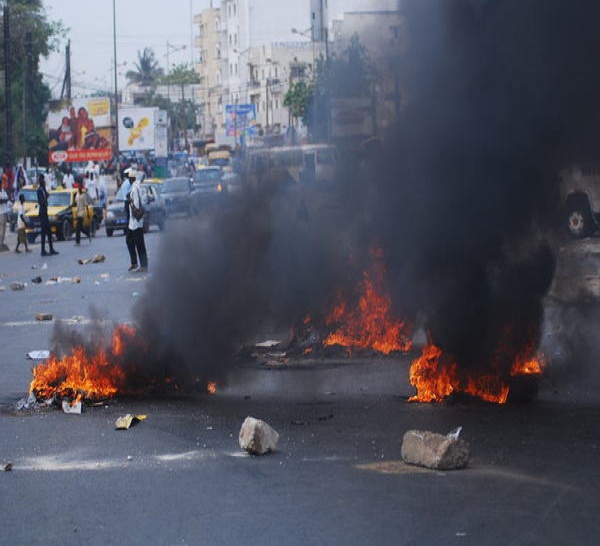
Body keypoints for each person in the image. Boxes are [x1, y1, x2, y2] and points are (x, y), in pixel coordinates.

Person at [126, 169, 148, 272]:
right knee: (129, 240)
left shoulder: (135, 188)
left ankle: (143, 265)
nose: (128, 180)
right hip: (133, 221)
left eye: (129, 178)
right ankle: (134, 262)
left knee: (139, 243)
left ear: (132, 178)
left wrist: (131, 203)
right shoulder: (136, 186)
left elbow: (138, 204)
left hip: (136, 220)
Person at [37, 173, 58, 256]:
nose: (44, 181)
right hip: (42, 212)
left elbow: (47, 195)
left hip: (45, 211)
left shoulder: (43, 189)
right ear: (40, 181)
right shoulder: (39, 190)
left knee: (48, 232)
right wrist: (45, 199)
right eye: (42, 180)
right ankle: (43, 250)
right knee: (44, 232)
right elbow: (41, 201)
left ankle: (51, 249)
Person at [0, 185, 10, 252]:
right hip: (0, 212)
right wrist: (5, 200)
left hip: (5, 211)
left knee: (4, 229)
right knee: (1, 228)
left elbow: (7, 198)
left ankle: (2, 242)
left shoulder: (3, 191)